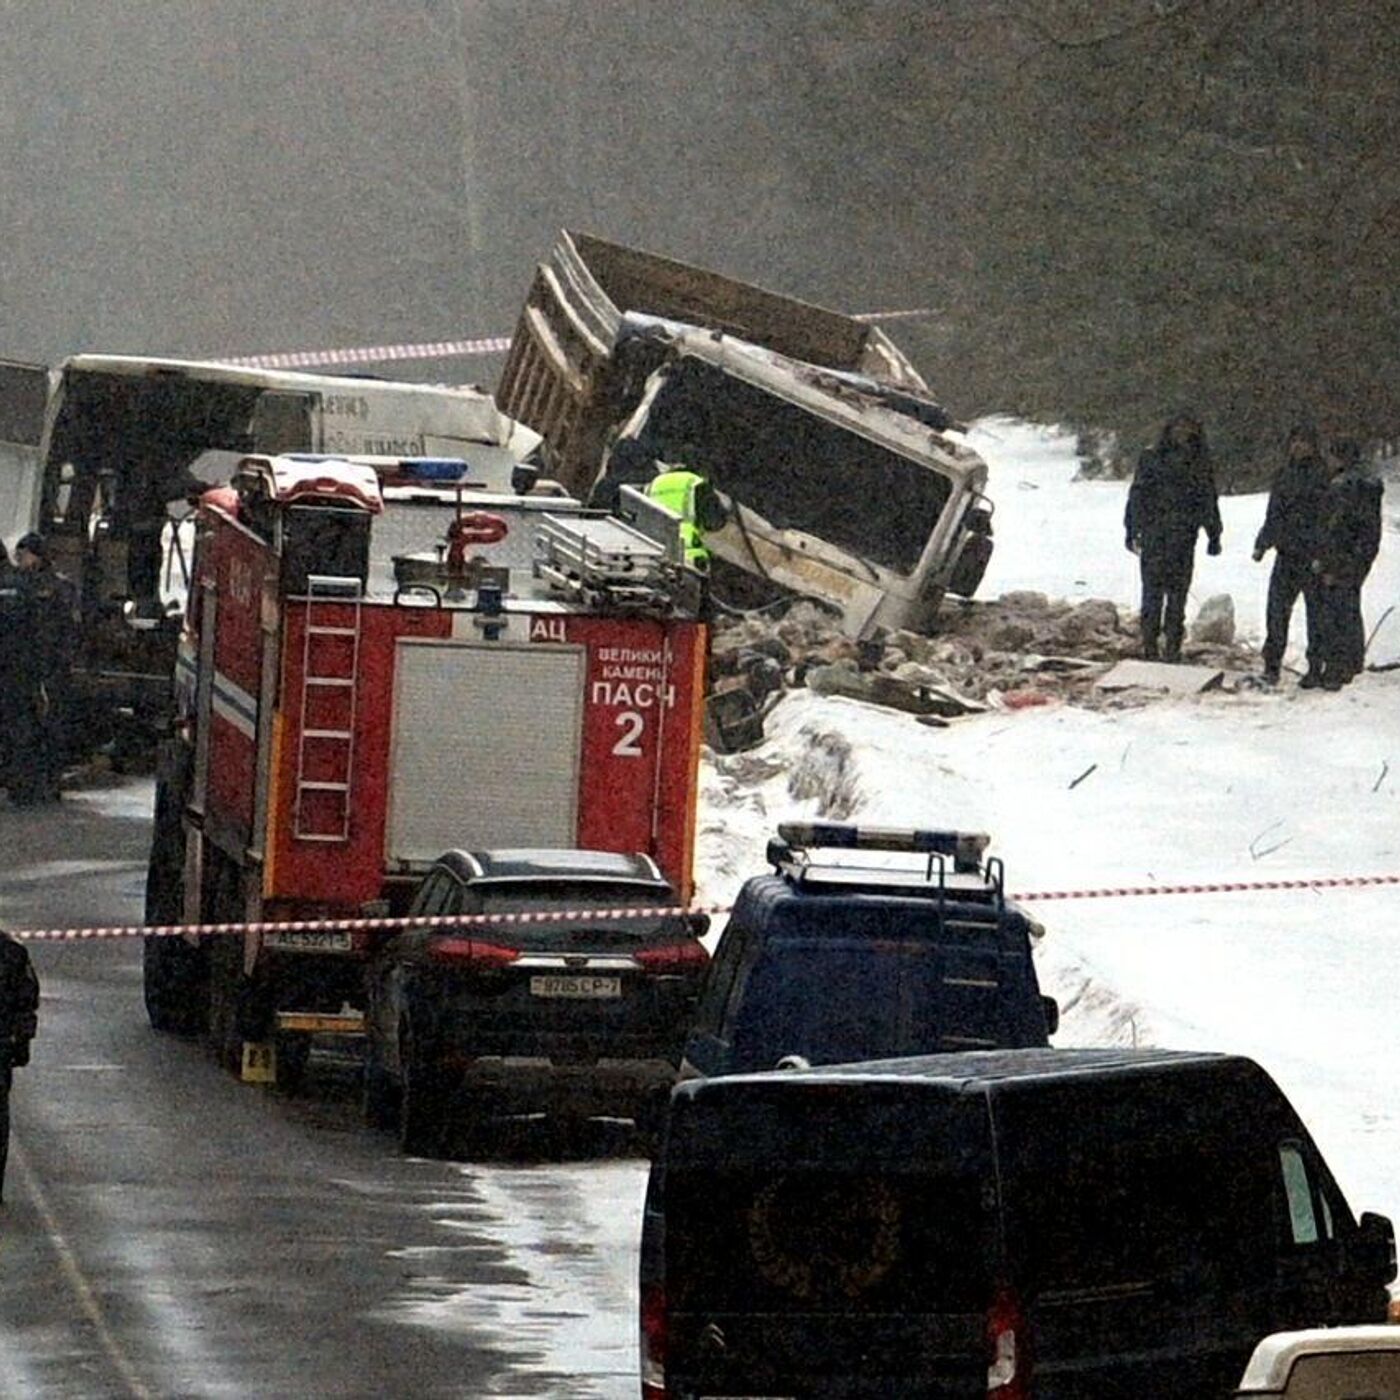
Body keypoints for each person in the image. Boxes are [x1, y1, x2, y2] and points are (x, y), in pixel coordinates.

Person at [1124, 415, 1222, 662]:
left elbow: (1207, 499)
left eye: (1187, 429)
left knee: (1178, 597)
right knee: (1152, 596)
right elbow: (1137, 494)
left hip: (1184, 537)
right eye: (1178, 428)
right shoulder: (1152, 457)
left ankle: (1172, 648)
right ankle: (1150, 646)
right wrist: (1132, 528)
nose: (1182, 433)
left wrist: (1213, 533)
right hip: (1155, 535)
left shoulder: (1199, 462)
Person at [1253, 424, 1330, 685]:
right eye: (1294, 442)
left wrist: (1325, 552)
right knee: (1276, 613)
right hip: (1286, 554)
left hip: (1313, 557)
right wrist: (1263, 542)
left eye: (1303, 442)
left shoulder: (1324, 475)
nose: (1298, 447)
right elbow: (1274, 513)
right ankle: (1271, 665)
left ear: (1312, 446)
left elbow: (1329, 519)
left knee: (1316, 616)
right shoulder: (1284, 474)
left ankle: (1316, 667)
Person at [1312, 439, 1383, 690]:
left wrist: (1331, 564)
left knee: (1338, 613)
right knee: (1348, 610)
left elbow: (1337, 531)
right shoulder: (1366, 484)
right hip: (1358, 557)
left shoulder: (1345, 487)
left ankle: (1339, 667)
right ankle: (1350, 664)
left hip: (1343, 559)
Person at [12, 532, 78, 804]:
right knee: (37, 726)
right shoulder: (37, 584)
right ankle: (39, 781)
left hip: (44, 666)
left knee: (41, 726)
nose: (20, 560)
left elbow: (54, 630)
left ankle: (41, 781)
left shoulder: (42, 587)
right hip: (40, 666)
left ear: (35, 555)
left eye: (23, 555)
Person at [0, 928, 39, 1203]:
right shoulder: (11, 952)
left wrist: (21, 1039)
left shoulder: (11, 953)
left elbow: (26, 1000)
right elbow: (28, 998)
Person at [645, 464, 729, 571]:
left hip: (656, 556)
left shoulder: (654, 484)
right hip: (688, 557)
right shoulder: (696, 483)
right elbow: (714, 523)